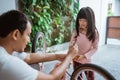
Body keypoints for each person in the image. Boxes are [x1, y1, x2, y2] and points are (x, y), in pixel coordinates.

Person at [0, 10, 77, 80]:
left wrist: (57, 56)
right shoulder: (8, 63)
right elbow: (51, 78)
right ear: (16, 34)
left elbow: (29, 57)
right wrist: (69, 56)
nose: (29, 40)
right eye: (28, 35)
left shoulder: (6, 51)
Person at [70, 7, 99, 80]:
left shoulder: (94, 33)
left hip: (86, 61)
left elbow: (95, 48)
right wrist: (71, 52)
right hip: (75, 59)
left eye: (85, 21)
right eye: (80, 20)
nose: (82, 23)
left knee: (91, 78)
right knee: (77, 77)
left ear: (90, 20)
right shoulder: (77, 30)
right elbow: (71, 43)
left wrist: (84, 56)